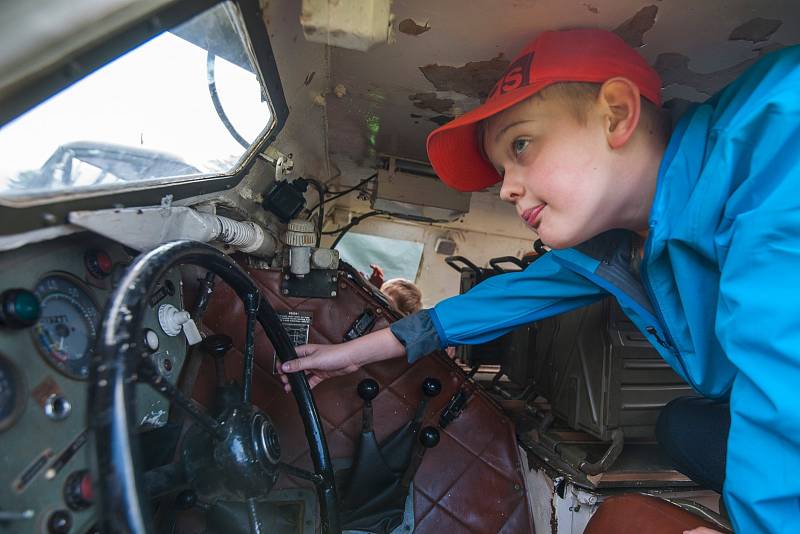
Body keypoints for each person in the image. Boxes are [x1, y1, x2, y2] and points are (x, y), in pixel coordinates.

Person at [280, 28, 800, 533]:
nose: (506, 189)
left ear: (616, 114)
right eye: (501, 168)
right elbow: (487, 305)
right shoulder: (610, 248)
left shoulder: (769, 142)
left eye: (521, 144)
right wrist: (352, 353)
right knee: (683, 427)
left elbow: (785, 373)